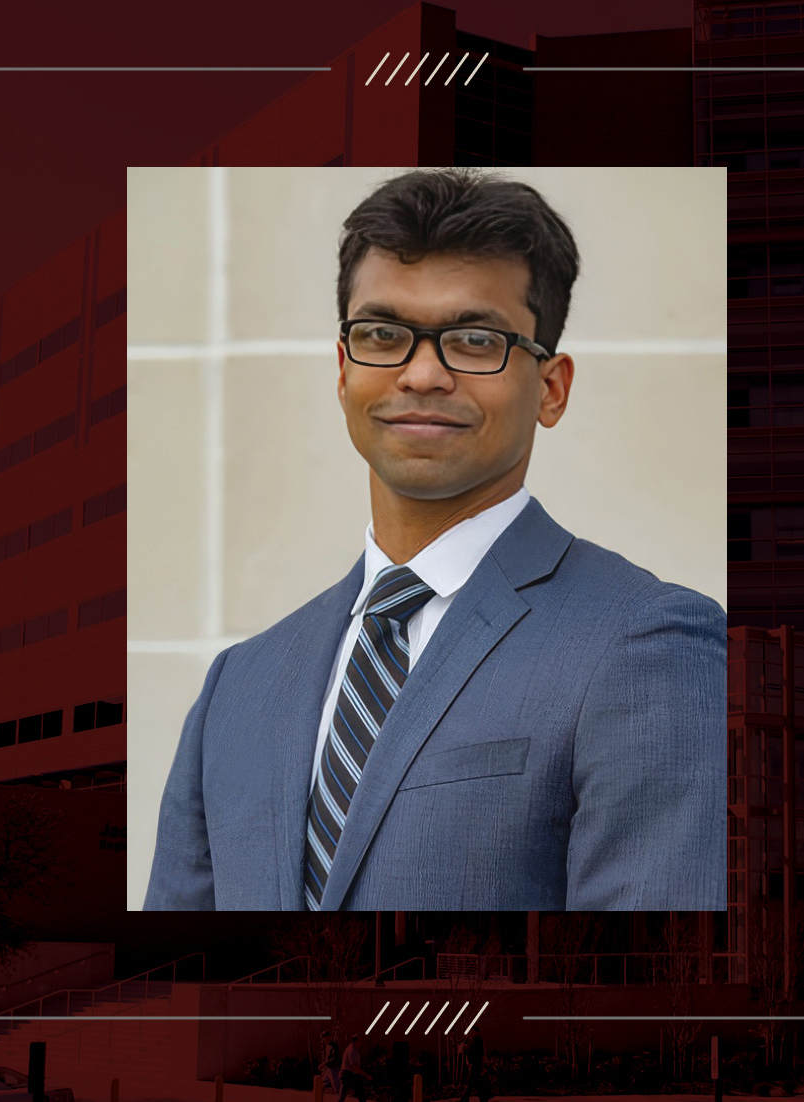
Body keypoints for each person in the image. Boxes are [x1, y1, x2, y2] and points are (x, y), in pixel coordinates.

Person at [145, 168, 725, 911]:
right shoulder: (239, 685)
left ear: (551, 388)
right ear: (344, 368)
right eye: (383, 334)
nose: (422, 374)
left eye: (475, 340)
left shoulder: (648, 645)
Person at [339, 1034, 368, 1102]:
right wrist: (367, 1075)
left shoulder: (354, 1049)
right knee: (342, 1096)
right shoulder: (351, 1050)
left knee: (361, 1095)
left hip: (353, 1075)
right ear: (355, 1041)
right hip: (347, 1075)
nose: (362, 1041)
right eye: (360, 1040)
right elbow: (355, 1066)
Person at [319, 1029, 341, 1096]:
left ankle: (339, 1099)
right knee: (321, 1085)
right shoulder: (327, 1046)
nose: (325, 1038)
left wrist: (325, 1064)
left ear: (329, 1036)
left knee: (336, 1087)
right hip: (328, 1069)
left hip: (334, 1069)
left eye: (326, 1036)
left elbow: (335, 1059)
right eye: (323, 1037)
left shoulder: (334, 1046)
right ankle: (318, 1099)